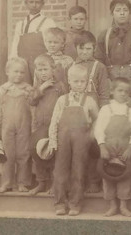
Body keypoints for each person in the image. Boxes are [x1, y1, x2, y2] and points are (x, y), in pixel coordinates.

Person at [47, 64, 100, 216]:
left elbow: (97, 119)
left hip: (81, 142)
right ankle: (59, 203)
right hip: (62, 140)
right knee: (60, 171)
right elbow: (54, 122)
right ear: (69, 81)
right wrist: (52, 141)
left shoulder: (89, 101)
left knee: (78, 170)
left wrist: (92, 135)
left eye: (82, 82)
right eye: (75, 81)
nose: (79, 85)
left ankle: (75, 203)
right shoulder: (62, 101)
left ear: (86, 82)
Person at [95, 0, 131, 135]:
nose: (122, 13)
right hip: (111, 81)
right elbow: (99, 61)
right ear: (112, 13)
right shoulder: (104, 35)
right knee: (110, 114)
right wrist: (106, 81)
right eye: (118, 10)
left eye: (125, 10)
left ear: (129, 13)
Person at [73, 30, 113, 194]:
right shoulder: (72, 66)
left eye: (88, 49)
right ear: (76, 48)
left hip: (95, 111)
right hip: (76, 111)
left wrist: (101, 118)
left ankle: (94, 181)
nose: (84, 52)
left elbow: (104, 93)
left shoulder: (99, 67)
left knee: (93, 146)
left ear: (94, 49)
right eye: (81, 48)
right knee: (77, 147)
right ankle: (78, 182)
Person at [94, 77, 131, 217]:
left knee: (125, 176)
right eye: (120, 90)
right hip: (108, 148)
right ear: (112, 91)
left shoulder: (129, 111)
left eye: (126, 91)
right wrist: (102, 146)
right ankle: (112, 205)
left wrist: (130, 148)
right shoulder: (106, 109)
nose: (123, 93)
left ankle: (124, 206)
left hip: (125, 148)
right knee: (108, 175)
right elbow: (99, 130)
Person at [0, 57, 34, 193]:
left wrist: (33, 127)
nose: (19, 75)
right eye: (15, 71)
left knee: (24, 153)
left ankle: (23, 182)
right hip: (7, 127)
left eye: (22, 72)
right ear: (7, 71)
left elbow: (34, 110)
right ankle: (7, 183)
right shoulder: (2, 90)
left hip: (24, 126)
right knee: (8, 154)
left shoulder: (28, 90)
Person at [28, 54, 67, 196]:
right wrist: (41, 89)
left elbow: (65, 102)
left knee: (52, 153)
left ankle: (53, 183)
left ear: (53, 69)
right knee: (37, 151)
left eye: (45, 69)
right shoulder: (37, 87)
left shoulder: (60, 86)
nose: (43, 73)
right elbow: (31, 101)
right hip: (39, 126)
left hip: (54, 126)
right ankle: (41, 182)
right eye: (39, 70)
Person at [10, 0, 56, 82]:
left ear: (43, 4)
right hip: (23, 65)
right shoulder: (20, 24)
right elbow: (15, 45)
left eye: (37, 2)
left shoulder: (48, 22)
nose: (34, 5)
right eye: (31, 2)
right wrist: (13, 61)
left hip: (40, 65)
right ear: (26, 3)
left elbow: (53, 44)